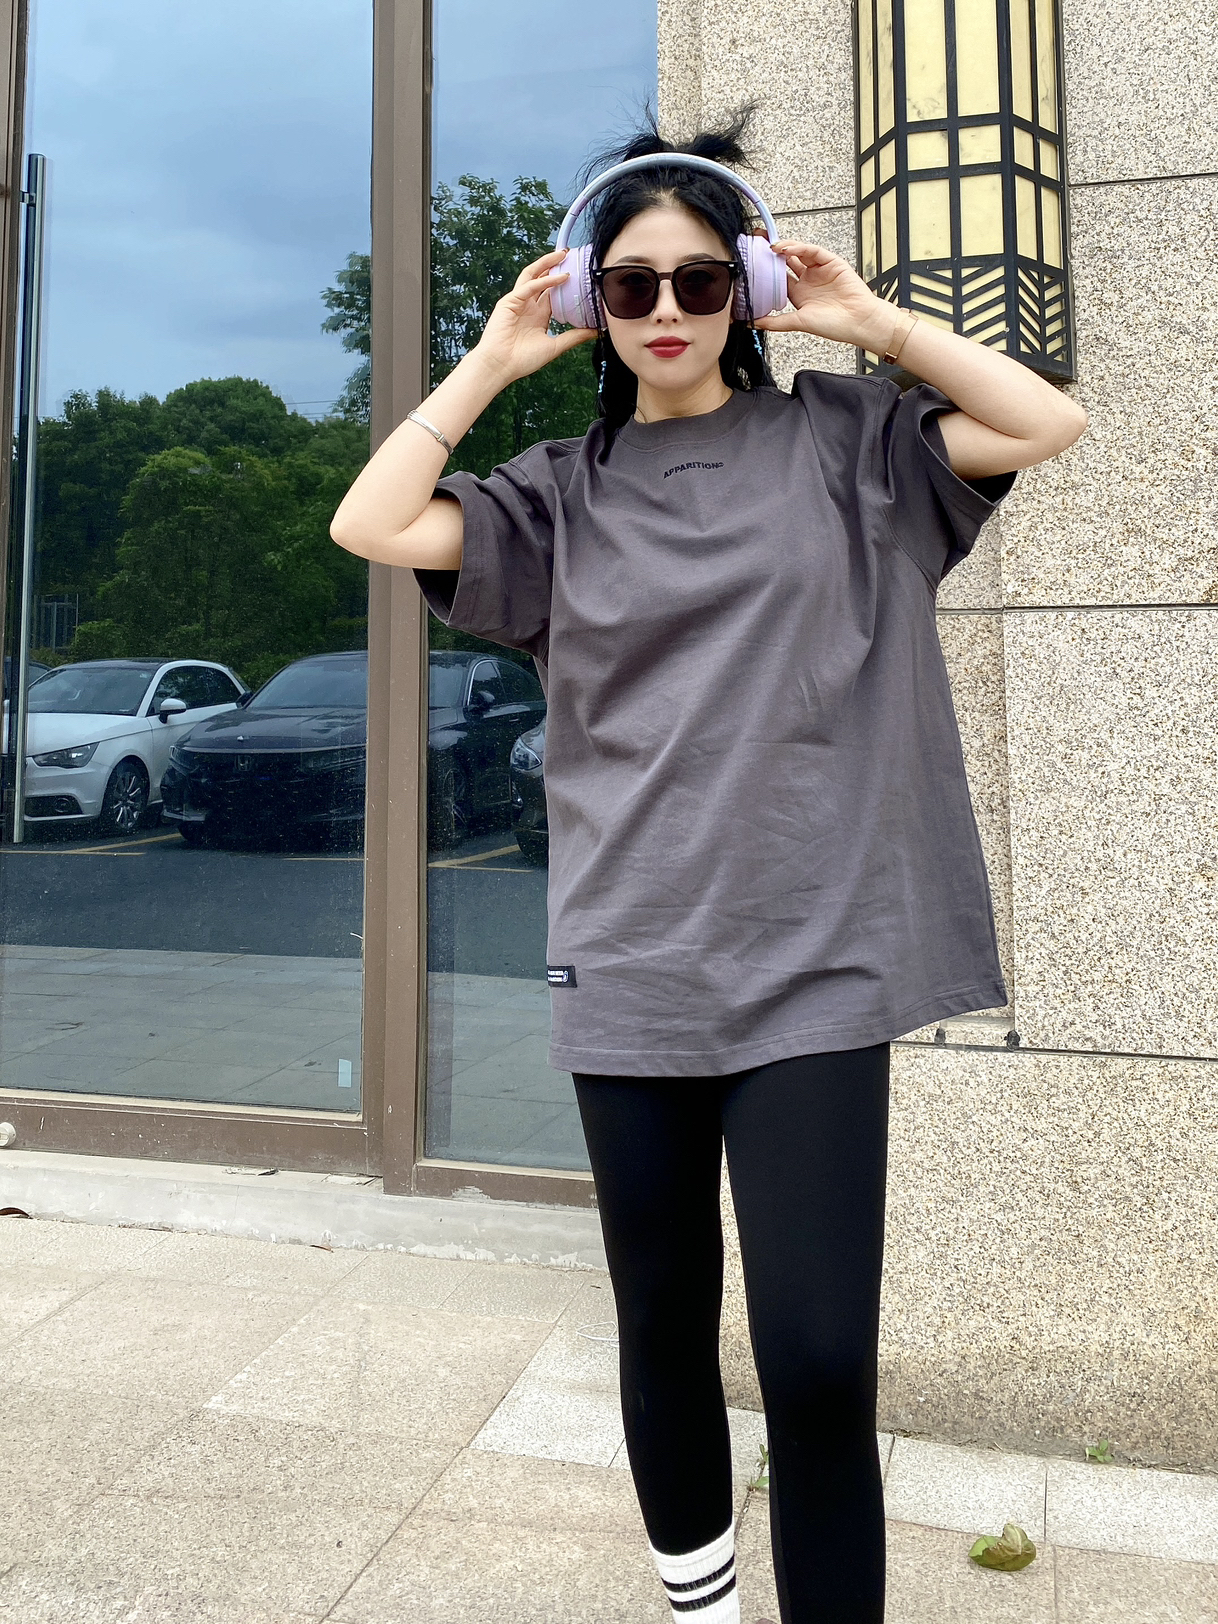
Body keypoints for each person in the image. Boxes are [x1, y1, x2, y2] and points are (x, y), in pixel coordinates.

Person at [332, 110, 1086, 1624]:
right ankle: (701, 1598)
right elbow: (372, 520)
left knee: (817, 1355)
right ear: (589, 301)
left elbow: (1041, 422)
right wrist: (489, 363)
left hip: (816, 955)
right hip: (633, 957)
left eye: (699, 279)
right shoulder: (554, 492)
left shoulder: (850, 444)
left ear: (746, 288)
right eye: (629, 284)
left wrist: (867, 322)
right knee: (663, 1329)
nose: (666, 310)